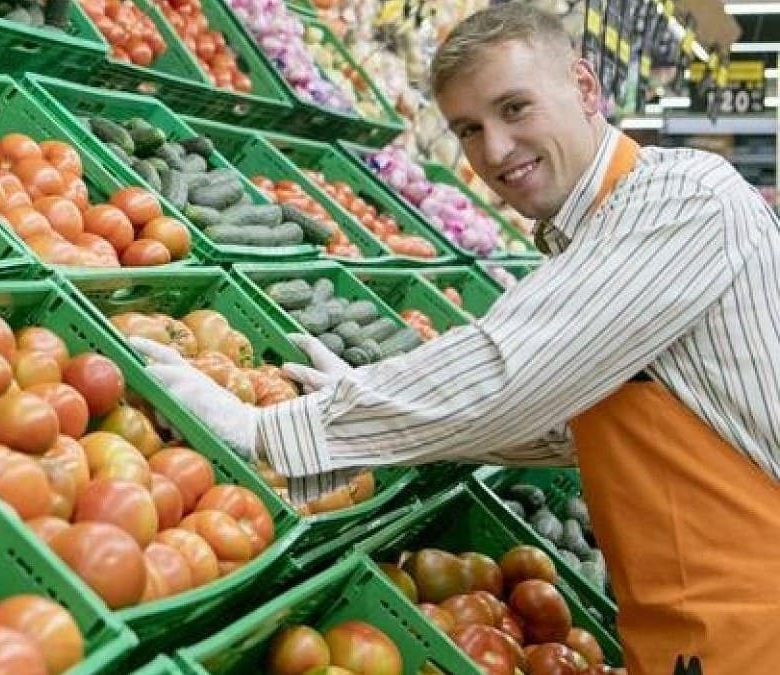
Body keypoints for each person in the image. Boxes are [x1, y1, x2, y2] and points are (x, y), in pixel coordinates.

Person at [128, 4, 780, 673]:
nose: (495, 150)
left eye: (515, 108)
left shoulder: (684, 200)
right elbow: (568, 424)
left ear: (585, 88)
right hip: (685, 640)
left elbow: (514, 371)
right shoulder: (595, 234)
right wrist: (357, 401)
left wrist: (271, 431)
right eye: (470, 128)